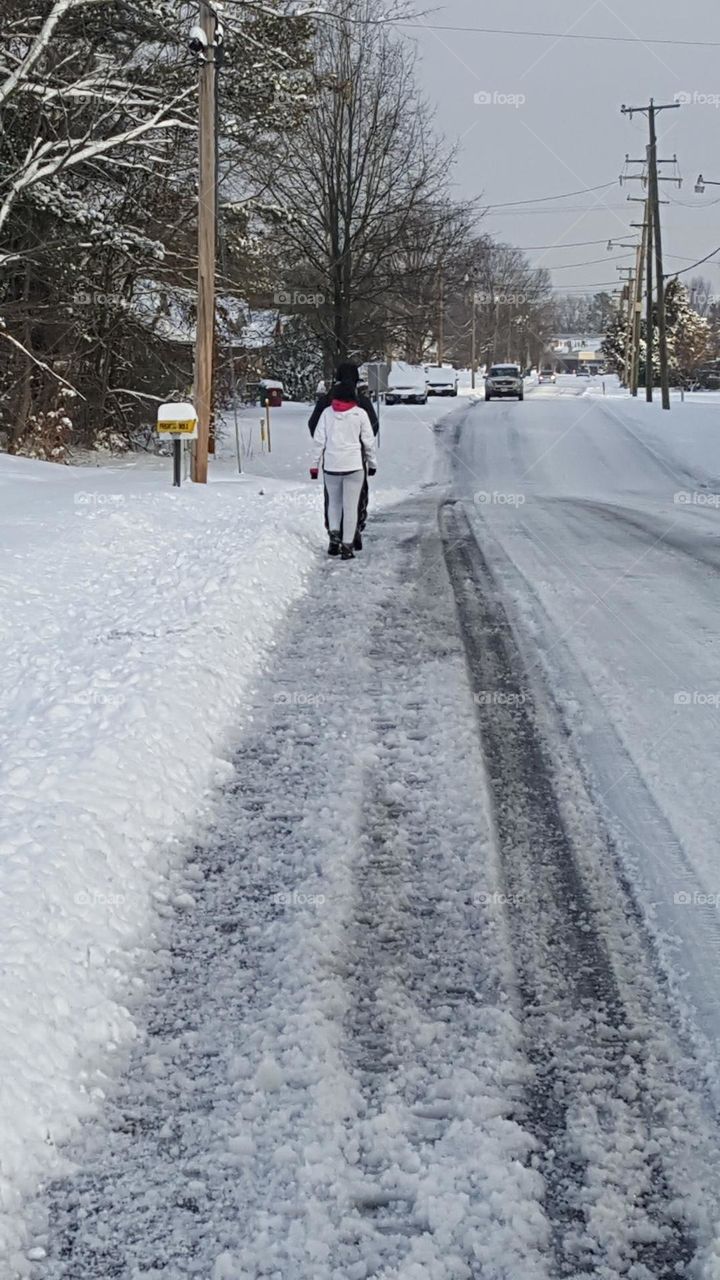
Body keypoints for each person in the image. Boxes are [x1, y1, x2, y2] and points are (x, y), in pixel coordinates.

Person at [309, 362, 378, 549]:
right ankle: (354, 531)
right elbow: (373, 427)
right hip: (356, 460)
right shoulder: (361, 402)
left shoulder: (325, 402)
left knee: (333, 499)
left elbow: (313, 427)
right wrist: (363, 449)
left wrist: (327, 445)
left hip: (331, 460)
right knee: (357, 498)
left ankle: (334, 534)